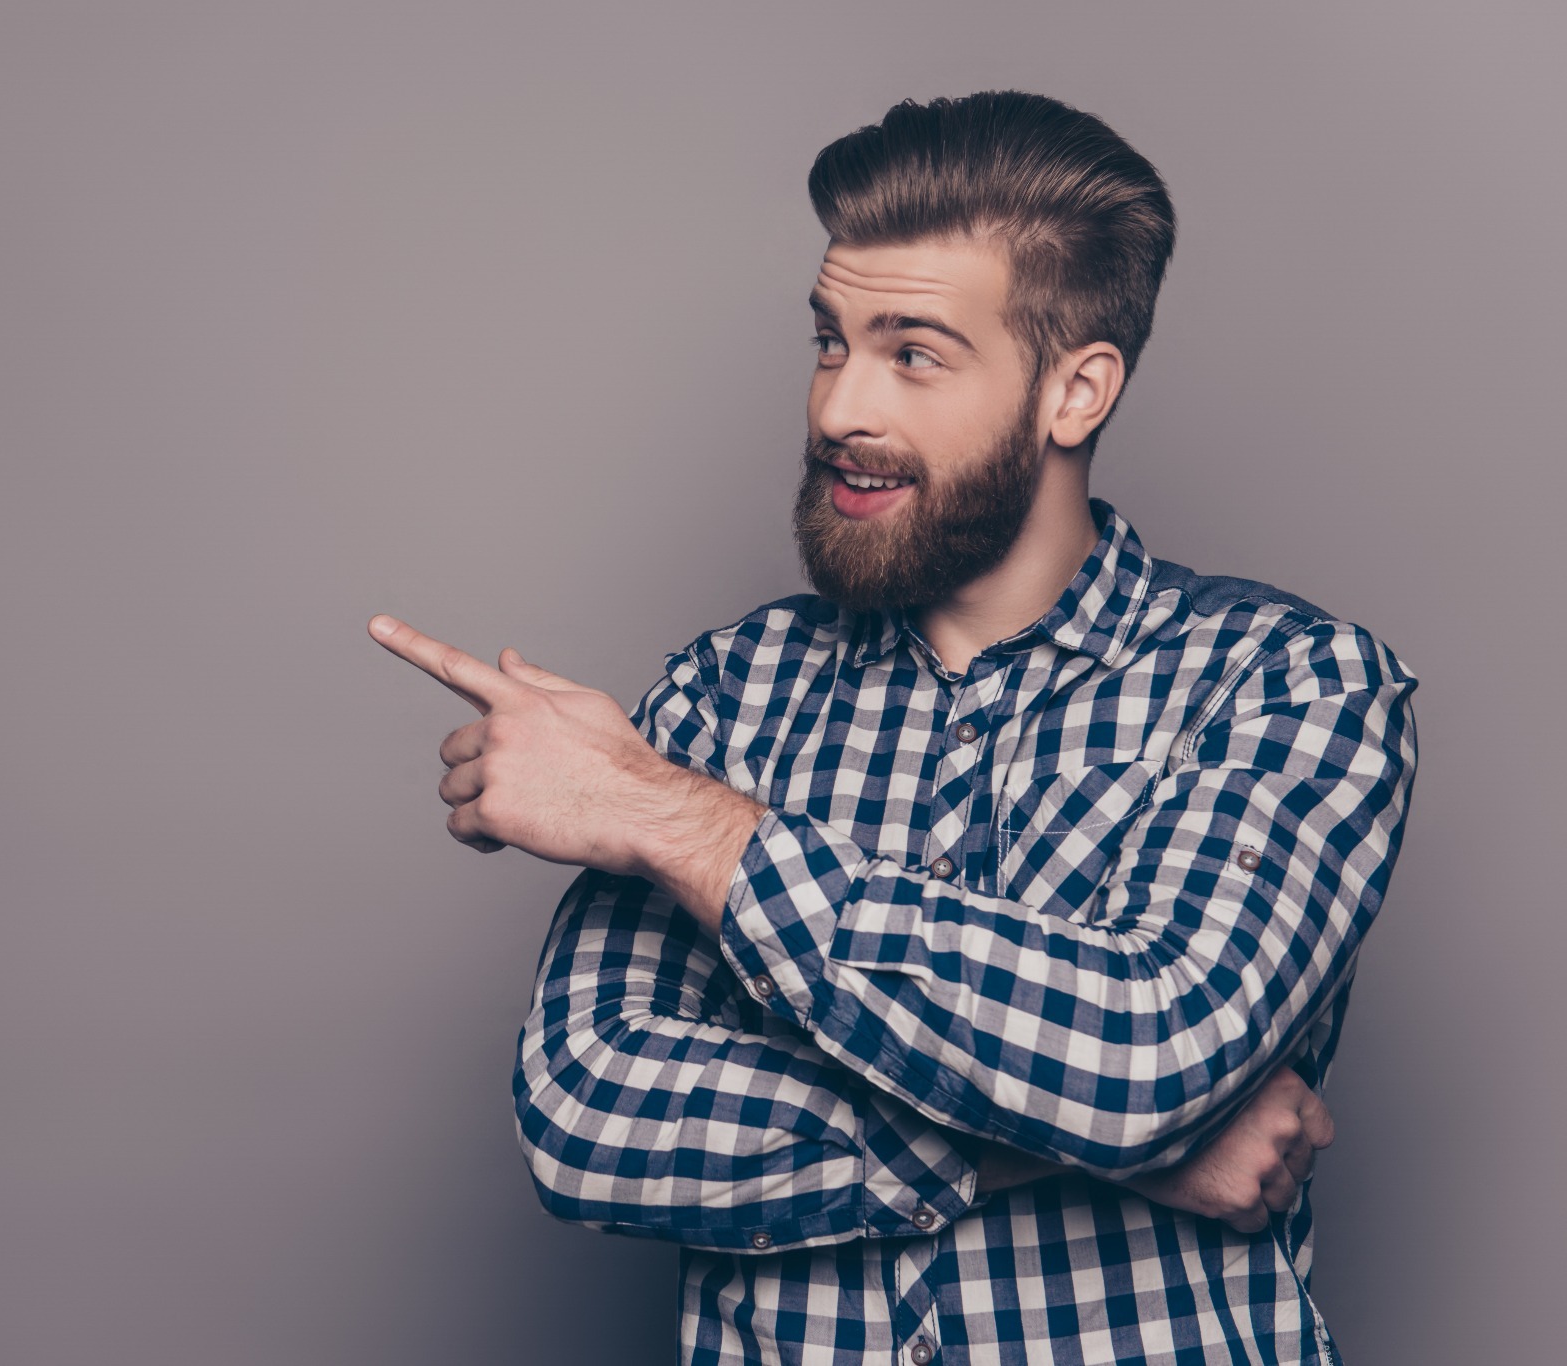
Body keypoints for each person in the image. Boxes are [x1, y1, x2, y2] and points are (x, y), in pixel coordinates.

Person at [368, 90, 1417, 1366]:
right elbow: (590, 1111)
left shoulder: (1287, 685)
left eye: (910, 353)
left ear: (1072, 391)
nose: (836, 410)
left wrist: (668, 820)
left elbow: (1147, 1047)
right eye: (828, 342)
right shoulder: (722, 695)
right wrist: (1104, 1152)